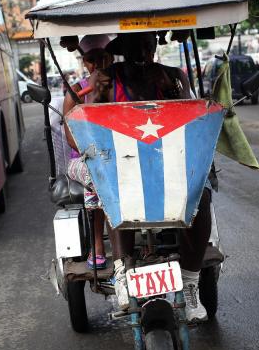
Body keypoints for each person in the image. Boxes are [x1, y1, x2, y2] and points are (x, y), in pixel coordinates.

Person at [87, 31, 210, 322]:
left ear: (155, 47)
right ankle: (122, 273)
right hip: (123, 161)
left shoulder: (173, 74)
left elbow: (192, 115)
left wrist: (173, 94)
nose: (142, 53)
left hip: (168, 160)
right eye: (135, 47)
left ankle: (191, 282)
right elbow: (89, 119)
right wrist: (100, 94)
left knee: (201, 194)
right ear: (123, 50)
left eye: (147, 46)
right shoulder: (105, 77)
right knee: (115, 192)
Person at [62, 34, 113, 270]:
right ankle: (97, 246)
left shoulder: (119, 85)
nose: (98, 64)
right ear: (85, 62)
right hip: (84, 159)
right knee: (100, 175)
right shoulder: (76, 90)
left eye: (103, 57)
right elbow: (71, 136)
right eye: (92, 59)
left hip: (117, 155)